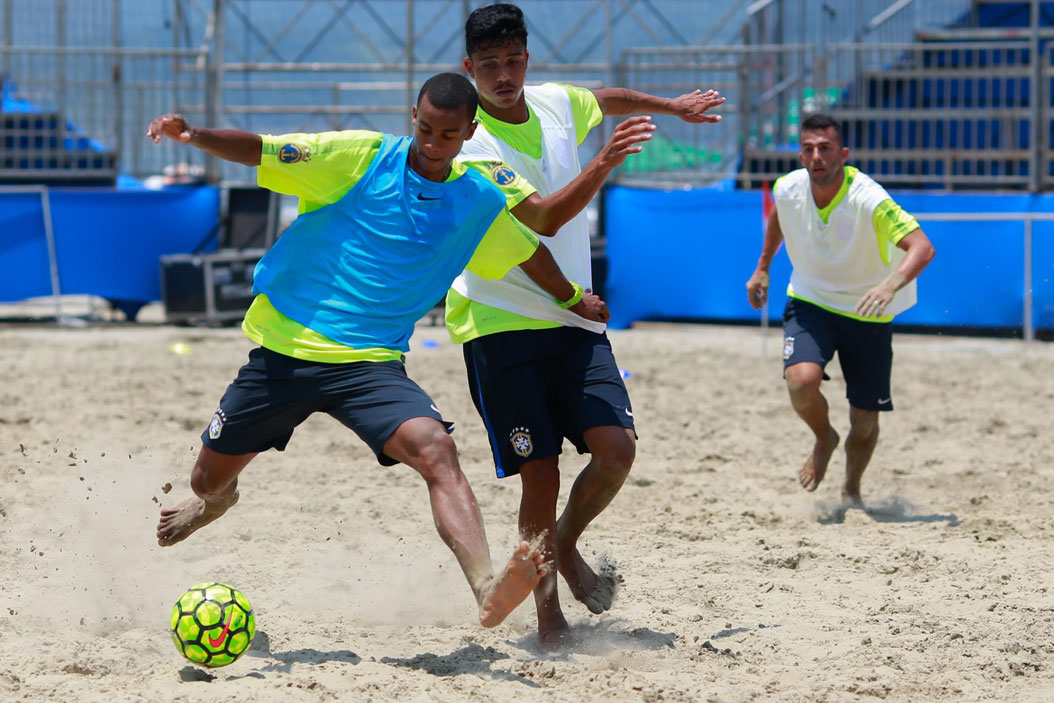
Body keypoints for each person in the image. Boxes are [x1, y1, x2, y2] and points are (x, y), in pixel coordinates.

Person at [148, 72, 611, 630]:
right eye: (423, 128)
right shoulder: (360, 157)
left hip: (370, 366)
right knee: (206, 481)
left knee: (436, 450)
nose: (431, 142)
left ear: (469, 131)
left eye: (446, 133)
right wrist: (193, 134)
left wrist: (572, 299)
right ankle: (216, 502)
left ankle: (487, 585)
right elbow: (262, 149)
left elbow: (528, 251)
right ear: (411, 119)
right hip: (285, 352)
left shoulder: (476, 198)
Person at [448, 3, 725, 648]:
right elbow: (542, 220)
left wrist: (672, 105)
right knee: (539, 474)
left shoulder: (550, 102)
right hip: (502, 324)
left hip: (576, 319)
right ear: (469, 69)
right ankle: (548, 616)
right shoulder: (473, 142)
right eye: (488, 64)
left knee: (617, 450)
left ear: (527, 57)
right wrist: (604, 163)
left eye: (513, 59)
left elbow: (605, 97)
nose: (503, 74)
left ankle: (567, 542)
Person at [746, 113, 936, 507]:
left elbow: (922, 246)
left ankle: (852, 489)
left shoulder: (868, 196)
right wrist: (763, 265)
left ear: (843, 154)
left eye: (825, 148)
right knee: (800, 380)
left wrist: (889, 284)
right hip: (811, 300)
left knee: (865, 422)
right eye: (809, 148)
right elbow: (778, 215)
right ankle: (823, 437)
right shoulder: (788, 187)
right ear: (801, 154)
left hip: (867, 311)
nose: (816, 156)